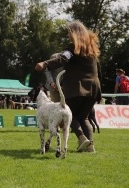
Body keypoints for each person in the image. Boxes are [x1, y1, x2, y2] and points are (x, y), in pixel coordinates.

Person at [35, 20, 101, 153]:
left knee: (73, 115)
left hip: (77, 87)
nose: (68, 36)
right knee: (84, 117)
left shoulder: (72, 48)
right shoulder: (91, 50)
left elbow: (63, 58)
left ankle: (82, 139)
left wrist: (45, 63)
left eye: (69, 33)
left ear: (74, 33)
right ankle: (90, 146)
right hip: (94, 88)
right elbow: (98, 70)